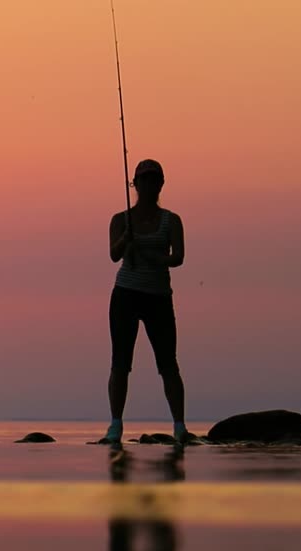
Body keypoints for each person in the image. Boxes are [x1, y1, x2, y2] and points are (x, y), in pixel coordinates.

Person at [103, 159, 187, 445]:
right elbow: (113, 255)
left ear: (161, 183)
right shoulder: (120, 219)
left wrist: (153, 257)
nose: (149, 185)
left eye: (154, 179)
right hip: (125, 295)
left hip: (159, 298)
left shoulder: (171, 220)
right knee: (120, 362)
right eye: (143, 180)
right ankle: (115, 425)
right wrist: (126, 239)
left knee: (168, 363)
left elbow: (178, 257)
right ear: (135, 184)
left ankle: (179, 426)